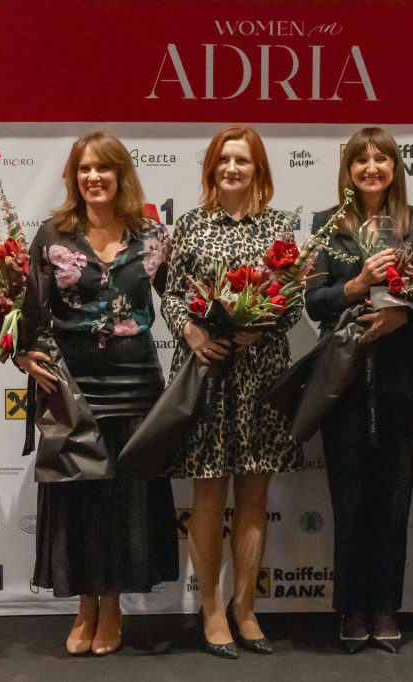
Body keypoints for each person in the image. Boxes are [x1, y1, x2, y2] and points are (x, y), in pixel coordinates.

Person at [15, 132, 178, 656]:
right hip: (72, 388)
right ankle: (85, 603)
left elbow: (180, 302)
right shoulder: (52, 234)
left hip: (136, 386)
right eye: (83, 169)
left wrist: (219, 325)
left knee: (123, 500)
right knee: (79, 500)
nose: (92, 178)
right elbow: (33, 313)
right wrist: (22, 353)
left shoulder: (152, 236)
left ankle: (112, 606)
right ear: (73, 177)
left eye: (103, 169)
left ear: (120, 175)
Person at [161, 125, 302, 659]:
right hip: (207, 373)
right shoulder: (192, 225)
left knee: (254, 497)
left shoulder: (281, 228)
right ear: (212, 169)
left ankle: (246, 607)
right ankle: (212, 607)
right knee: (208, 496)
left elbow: (291, 301)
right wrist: (192, 330)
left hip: (262, 374)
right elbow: (172, 296)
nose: (232, 169)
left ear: (258, 168)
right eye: (224, 160)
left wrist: (263, 326)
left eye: (242, 160)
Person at [303, 127, 413, 653]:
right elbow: (314, 302)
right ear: (349, 170)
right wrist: (357, 284)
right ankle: (351, 608)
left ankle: (385, 606)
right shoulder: (325, 226)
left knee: (396, 500)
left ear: (395, 167)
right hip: (345, 383)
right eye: (362, 160)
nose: (372, 167)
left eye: (382, 159)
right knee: (350, 500)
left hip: (402, 379)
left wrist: (402, 311)